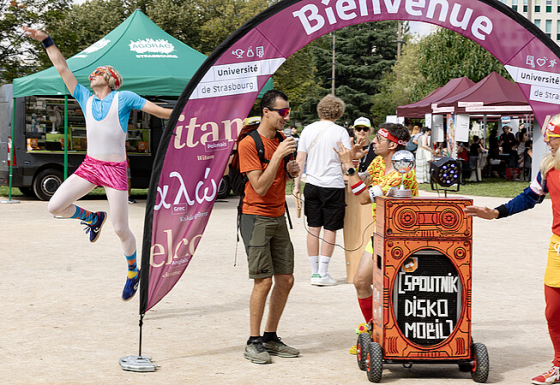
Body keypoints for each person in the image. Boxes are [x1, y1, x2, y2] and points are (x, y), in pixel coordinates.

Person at [23, 27, 172, 301]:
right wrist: (45, 39)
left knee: (120, 229)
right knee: (54, 206)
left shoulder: (124, 98)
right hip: (91, 166)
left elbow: (159, 111)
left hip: (115, 170)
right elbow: (61, 67)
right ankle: (92, 218)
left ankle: (132, 271)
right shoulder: (85, 97)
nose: (93, 75)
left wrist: (188, 113)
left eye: (99, 72)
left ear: (111, 80)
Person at [463, 114, 560, 385]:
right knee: (553, 310)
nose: (548, 142)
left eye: (553, 138)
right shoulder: (549, 167)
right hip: (558, 247)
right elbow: (530, 197)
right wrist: (495, 212)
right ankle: (559, 365)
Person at [334, 122, 418, 354]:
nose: (373, 142)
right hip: (381, 233)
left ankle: (398, 335)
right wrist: (353, 161)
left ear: (392, 145)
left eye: (379, 140)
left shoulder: (402, 171)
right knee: (361, 281)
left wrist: (348, 168)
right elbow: (361, 180)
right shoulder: (380, 161)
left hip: (402, 237)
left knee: (397, 287)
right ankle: (375, 330)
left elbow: (361, 197)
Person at [238, 89, 301, 364]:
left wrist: (291, 169)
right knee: (263, 281)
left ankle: (270, 337)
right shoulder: (249, 144)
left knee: (286, 279)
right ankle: (253, 341)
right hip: (256, 216)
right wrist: (277, 158)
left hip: (277, 215)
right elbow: (260, 186)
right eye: (282, 112)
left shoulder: (282, 140)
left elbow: (280, 177)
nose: (286, 117)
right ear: (266, 111)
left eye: (288, 111)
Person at [293, 94, 351, 286]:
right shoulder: (341, 132)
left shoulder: (308, 130)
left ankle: (314, 271)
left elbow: (300, 160)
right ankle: (323, 272)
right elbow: (345, 161)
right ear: (339, 112)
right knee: (330, 229)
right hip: (333, 184)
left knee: (313, 228)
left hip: (312, 184)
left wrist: (296, 186)